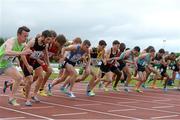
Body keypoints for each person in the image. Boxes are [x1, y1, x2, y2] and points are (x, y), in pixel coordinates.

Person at [0, 26, 32, 106]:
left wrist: (27, 65)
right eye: (24, 36)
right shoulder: (11, 41)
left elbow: (21, 54)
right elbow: (7, 52)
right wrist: (21, 53)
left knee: (19, 78)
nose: (26, 38)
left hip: (7, 65)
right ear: (18, 35)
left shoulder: (23, 44)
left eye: (27, 36)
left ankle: (11, 98)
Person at [19, 30, 52, 105]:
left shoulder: (45, 45)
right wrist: (27, 66)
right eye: (47, 39)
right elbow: (22, 54)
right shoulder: (32, 42)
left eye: (50, 39)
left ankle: (34, 95)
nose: (49, 41)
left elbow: (46, 55)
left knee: (41, 76)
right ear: (43, 37)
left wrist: (48, 65)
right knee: (30, 80)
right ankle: (27, 99)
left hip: (34, 60)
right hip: (25, 61)